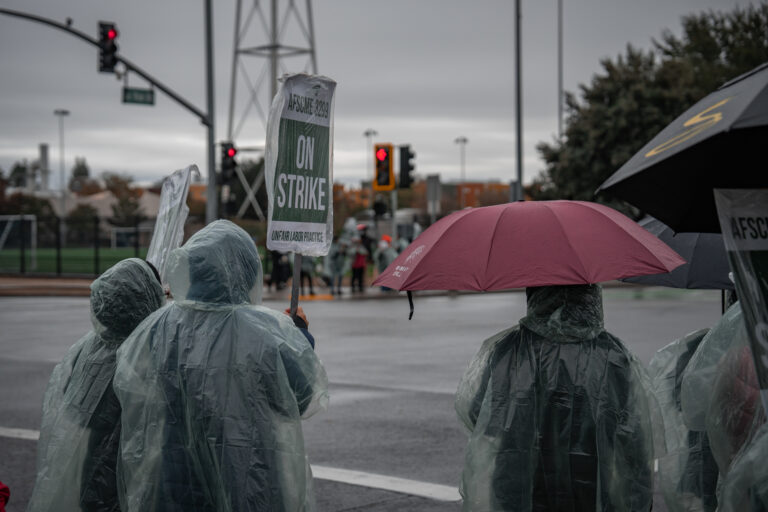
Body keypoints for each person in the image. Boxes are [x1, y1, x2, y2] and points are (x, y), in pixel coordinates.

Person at [113, 220, 328, 512]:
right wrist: (298, 334)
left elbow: (134, 389)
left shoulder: (159, 326)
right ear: (248, 269)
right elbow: (301, 397)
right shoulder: (266, 330)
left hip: (174, 476)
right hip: (249, 475)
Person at [455, 284, 655, 512]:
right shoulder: (613, 355)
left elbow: (478, 414)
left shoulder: (509, 350)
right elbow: (633, 436)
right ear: (591, 297)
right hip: (588, 482)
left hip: (521, 486)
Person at [27, 258, 165, 512]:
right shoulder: (151, 352)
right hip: (137, 480)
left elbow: (73, 408)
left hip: (92, 473)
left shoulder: (88, 349)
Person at [649, 329, 719, 512]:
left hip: (701, 451)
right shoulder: (716, 346)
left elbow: (678, 398)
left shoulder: (697, 347)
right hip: (709, 450)